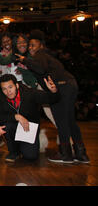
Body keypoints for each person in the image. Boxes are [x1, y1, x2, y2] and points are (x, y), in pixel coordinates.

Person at [17, 30, 89, 164]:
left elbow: (40, 69)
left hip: (60, 87)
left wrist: (25, 60)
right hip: (70, 84)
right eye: (30, 46)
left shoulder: (40, 55)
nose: (31, 48)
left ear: (41, 46)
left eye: (34, 45)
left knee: (61, 121)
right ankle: (81, 153)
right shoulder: (47, 57)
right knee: (70, 121)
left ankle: (65, 154)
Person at [0, 74, 60, 162]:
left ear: (16, 85)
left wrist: (54, 91)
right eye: (4, 89)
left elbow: (50, 99)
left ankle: (26, 145)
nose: (8, 91)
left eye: (10, 87)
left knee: (30, 156)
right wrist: (16, 117)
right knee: (7, 126)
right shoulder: (0, 97)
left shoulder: (30, 93)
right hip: (12, 126)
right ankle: (14, 152)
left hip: (29, 128)